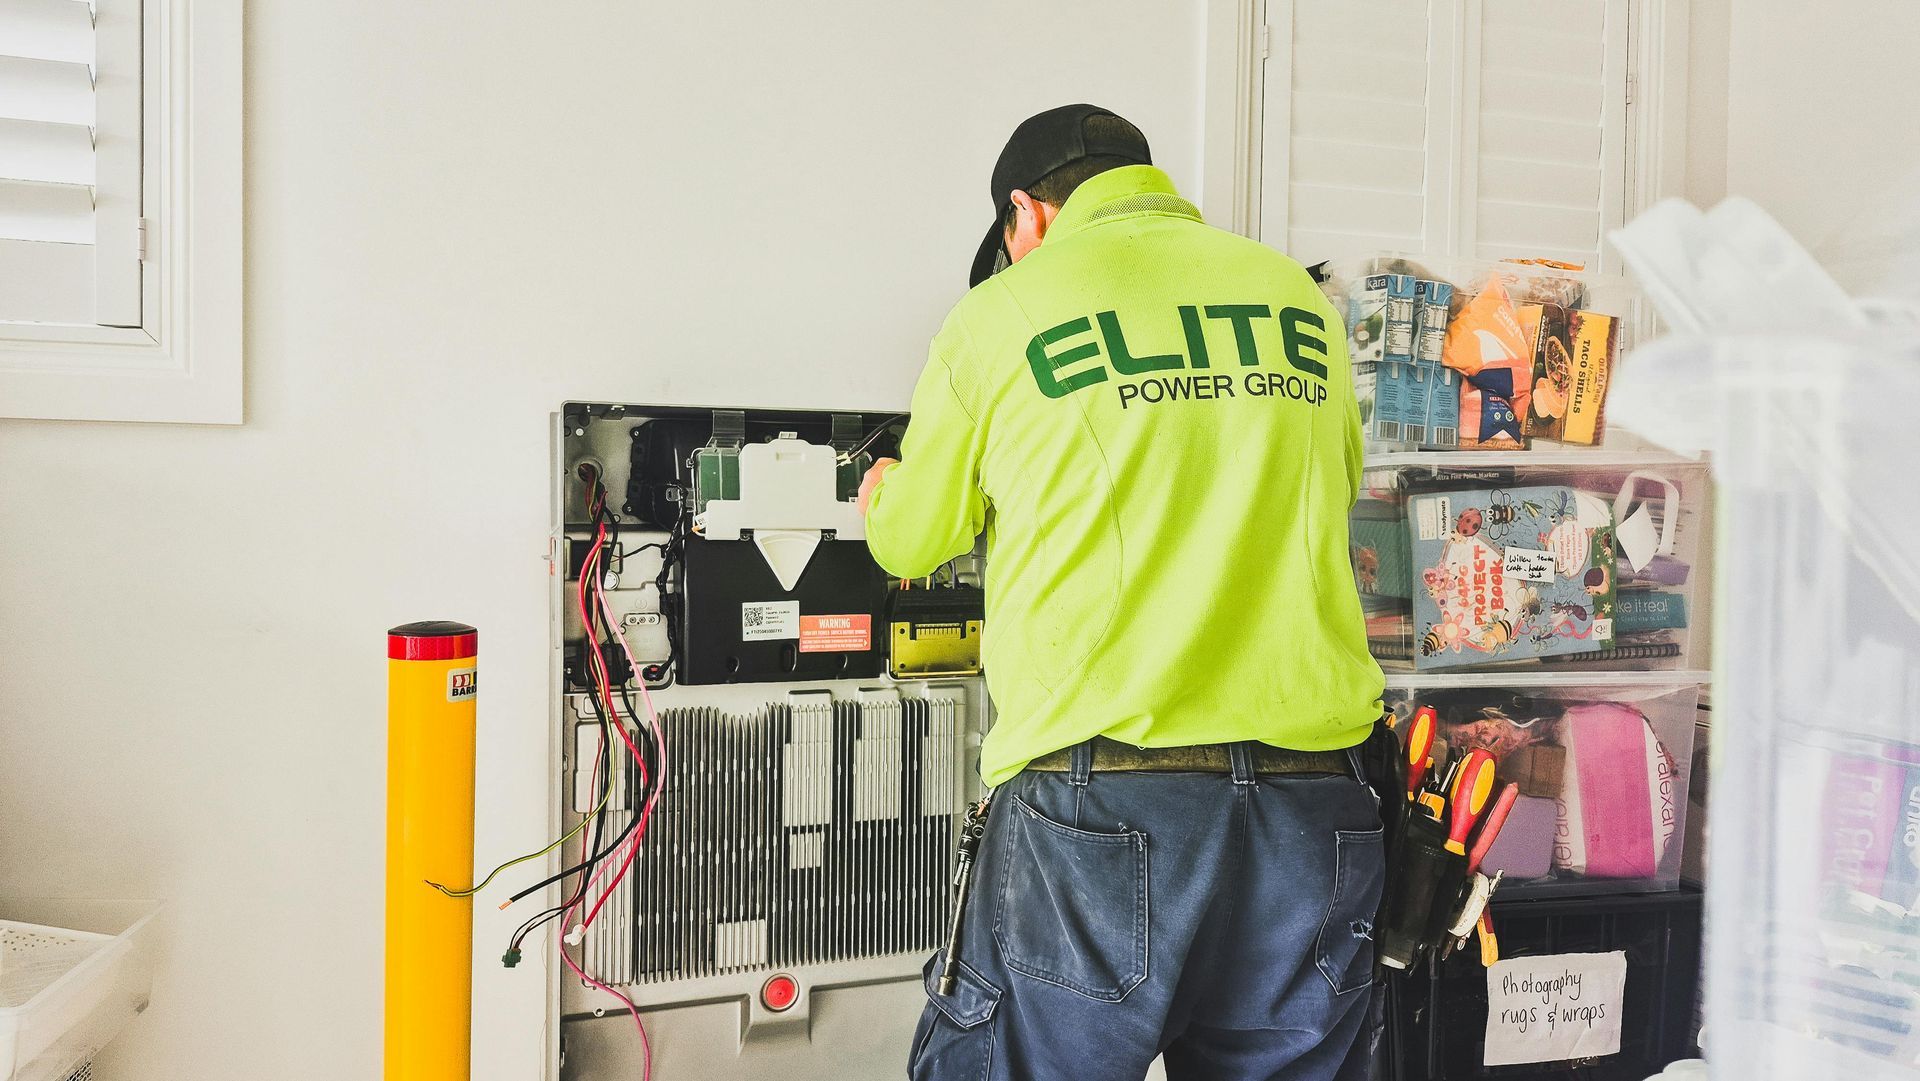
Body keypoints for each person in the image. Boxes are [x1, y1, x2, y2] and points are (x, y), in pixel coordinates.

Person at [858, 104, 1387, 1081]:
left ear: (1029, 215)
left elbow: (916, 539)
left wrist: (881, 491)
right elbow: (1338, 486)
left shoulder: (1000, 315)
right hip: (1316, 799)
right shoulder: (1294, 299)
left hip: (1104, 799)